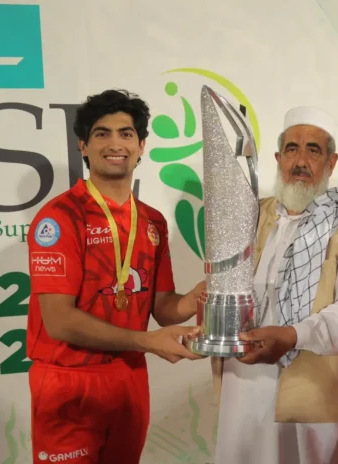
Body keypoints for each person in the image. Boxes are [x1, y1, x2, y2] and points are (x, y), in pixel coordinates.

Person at [26, 89, 204, 464]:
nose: (115, 143)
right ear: (83, 146)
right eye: (101, 133)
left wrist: (199, 297)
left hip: (129, 377)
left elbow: (163, 307)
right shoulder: (60, 217)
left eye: (126, 134)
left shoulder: (152, 220)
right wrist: (145, 341)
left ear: (141, 146)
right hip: (69, 380)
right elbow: (59, 320)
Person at [212, 106, 338, 464]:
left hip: (315, 388)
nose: (300, 161)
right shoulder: (251, 215)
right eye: (292, 149)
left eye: (313, 150)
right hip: (246, 383)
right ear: (277, 158)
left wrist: (292, 335)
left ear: (331, 163)